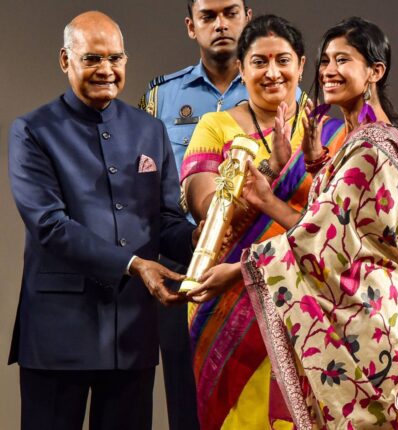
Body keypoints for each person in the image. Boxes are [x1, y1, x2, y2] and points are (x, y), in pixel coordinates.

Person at [7, 11, 198, 430]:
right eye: (92, 58)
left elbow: (165, 221)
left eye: (116, 58)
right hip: (59, 335)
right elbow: (50, 226)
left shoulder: (150, 130)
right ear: (65, 60)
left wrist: (209, 236)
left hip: (132, 334)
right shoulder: (33, 131)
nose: (107, 70)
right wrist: (133, 265)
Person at [238, 17, 398, 428]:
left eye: (343, 60)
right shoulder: (364, 140)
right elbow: (358, 221)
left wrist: (263, 202)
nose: (329, 71)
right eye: (325, 61)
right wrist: (318, 164)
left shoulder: (370, 148)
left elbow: (321, 235)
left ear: (375, 71)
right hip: (369, 314)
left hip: (364, 327)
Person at [181, 15, 346, 430]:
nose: (272, 73)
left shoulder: (329, 131)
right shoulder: (217, 127)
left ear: (303, 64)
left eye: (283, 60)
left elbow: (340, 223)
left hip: (310, 300)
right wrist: (272, 170)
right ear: (241, 68)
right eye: (259, 62)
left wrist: (308, 161)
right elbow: (206, 210)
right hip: (230, 295)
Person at [138, 1, 251, 428]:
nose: (220, 24)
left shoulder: (283, 89)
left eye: (230, 13)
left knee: (258, 396)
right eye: (208, 16)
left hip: (253, 265)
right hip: (182, 264)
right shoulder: (159, 96)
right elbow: (143, 183)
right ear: (191, 26)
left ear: (248, 17)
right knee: (187, 403)